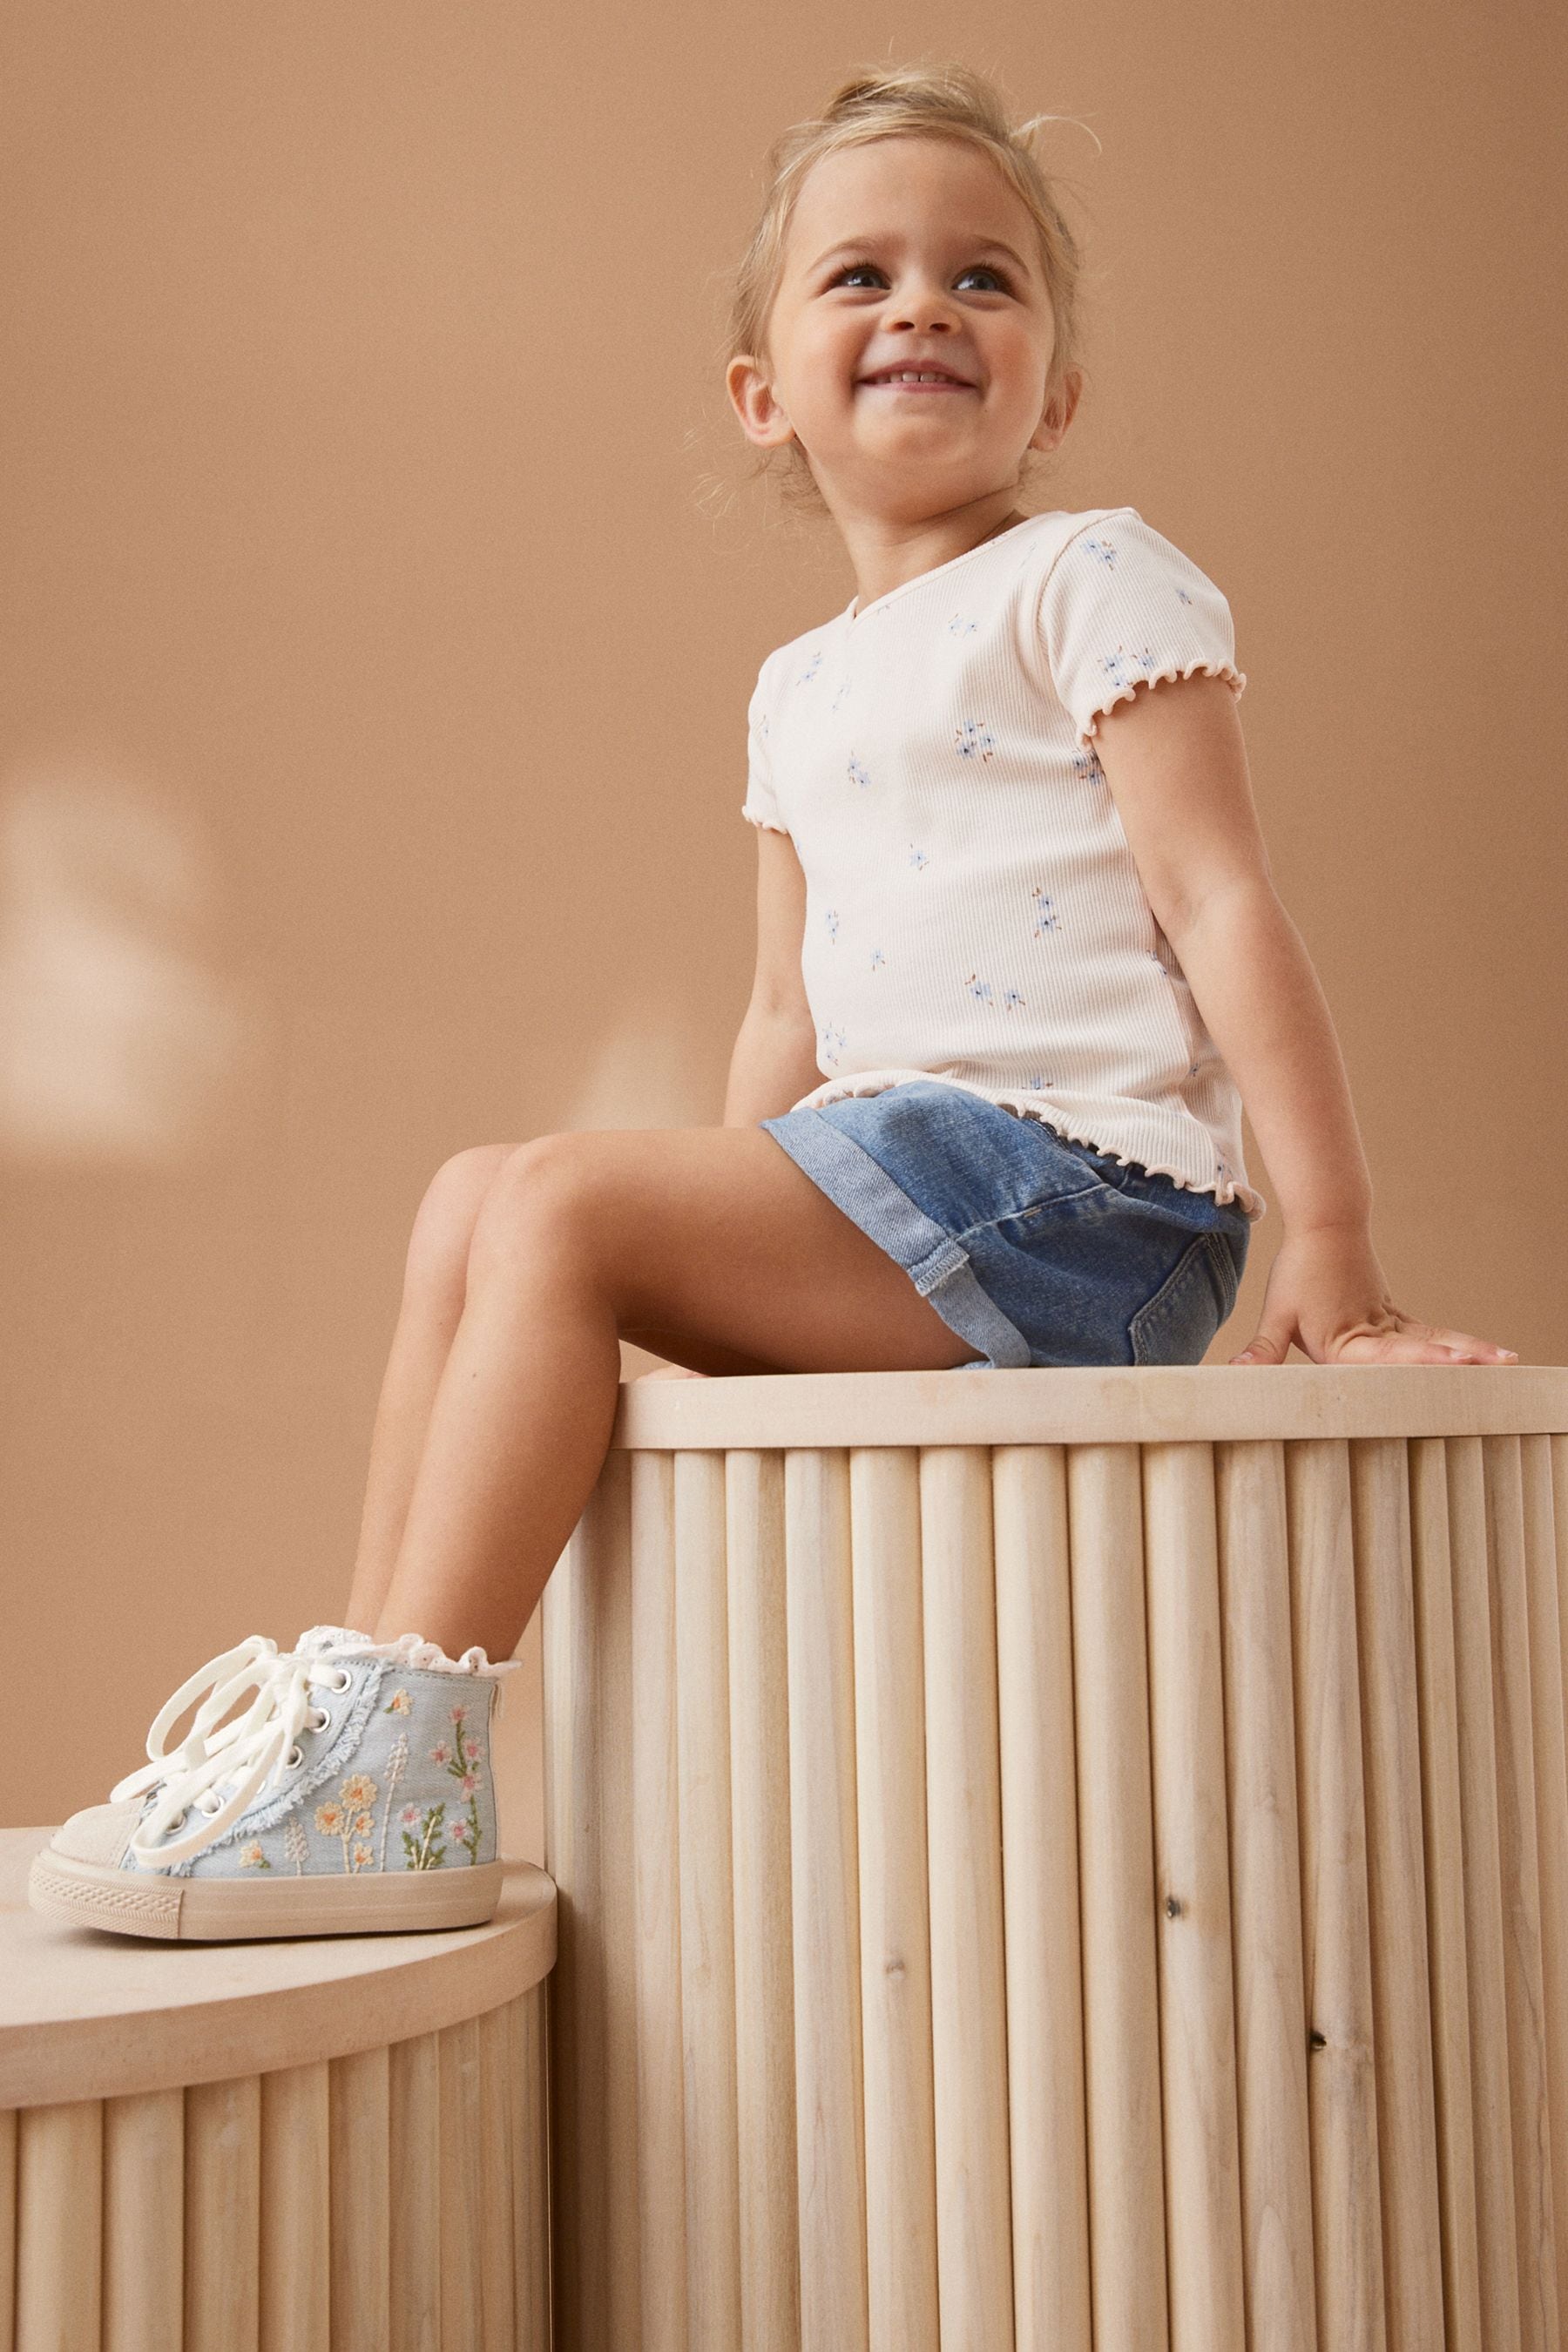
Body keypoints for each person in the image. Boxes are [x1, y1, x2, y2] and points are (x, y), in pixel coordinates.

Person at [30, 60, 1517, 1942]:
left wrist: (1336, 1245)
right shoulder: (796, 687)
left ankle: (402, 1748)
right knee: (478, 1196)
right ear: (764, 396)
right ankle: (364, 1723)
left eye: (984, 280)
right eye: (861, 278)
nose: (922, 306)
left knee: (561, 1205)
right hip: (903, 1176)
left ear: (1056, 386)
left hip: (1088, 1201)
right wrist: (716, 1226)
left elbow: (1220, 901)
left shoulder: (1089, 577)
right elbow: (775, 1014)